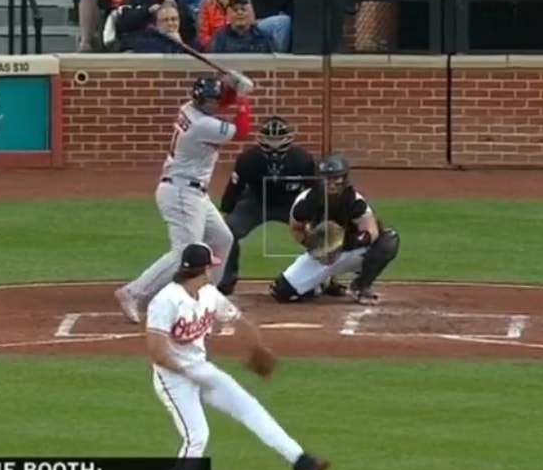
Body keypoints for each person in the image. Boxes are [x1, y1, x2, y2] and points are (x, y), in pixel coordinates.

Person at [145, 243, 331, 470]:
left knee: (248, 406)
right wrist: (189, 372)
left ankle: (299, 459)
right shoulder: (165, 301)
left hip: (201, 369)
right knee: (197, 436)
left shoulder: (209, 294)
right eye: (210, 267)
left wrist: (256, 346)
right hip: (173, 377)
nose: (212, 271)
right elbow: (158, 353)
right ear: (202, 270)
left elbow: (239, 321)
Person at [115, 73, 254, 323]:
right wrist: (242, 98)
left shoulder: (189, 109)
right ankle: (133, 292)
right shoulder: (203, 126)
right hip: (181, 193)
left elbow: (220, 104)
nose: (214, 104)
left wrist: (232, 88)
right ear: (199, 99)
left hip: (194, 192)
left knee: (222, 238)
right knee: (184, 252)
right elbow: (242, 130)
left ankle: (207, 295)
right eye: (210, 100)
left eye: (216, 99)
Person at [268, 153, 402, 305]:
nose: (331, 183)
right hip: (322, 254)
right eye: (327, 178)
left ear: (344, 178)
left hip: (350, 249)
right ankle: (321, 284)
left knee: (388, 241)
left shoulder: (354, 200)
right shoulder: (306, 201)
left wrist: (344, 244)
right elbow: (296, 229)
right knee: (282, 292)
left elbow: (371, 232)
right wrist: (315, 247)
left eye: (335, 178)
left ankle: (361, 286)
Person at [214, 116, 318, 295]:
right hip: (256, 201)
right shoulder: (248, 159)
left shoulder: (303, 160)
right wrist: (226, 211)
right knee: (227, 231)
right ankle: (226, 277)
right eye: (270, 138)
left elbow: (314, 190)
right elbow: (234, 187)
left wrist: (316, 217)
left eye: (278, 139)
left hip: (291, 203)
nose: (274, 143)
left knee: (321, 233)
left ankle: (323, 278)